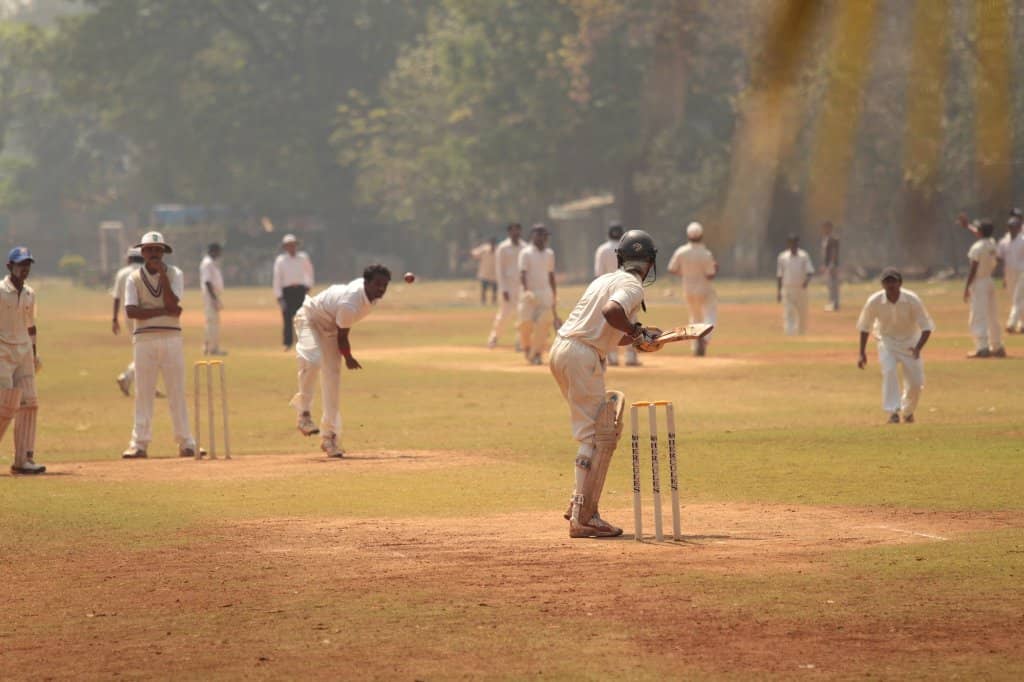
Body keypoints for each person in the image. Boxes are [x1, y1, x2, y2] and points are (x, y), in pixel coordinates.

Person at [549, 229, 660, 538]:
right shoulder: (631, 285)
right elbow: (612, 313)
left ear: (621, 257)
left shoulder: (603, 280)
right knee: (598, 435)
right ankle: (584, 516)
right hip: (582, 356)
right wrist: (637, 333)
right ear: (649, 263)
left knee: (593, 432)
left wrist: (640, 336)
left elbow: (607, 329)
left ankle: (578, 506)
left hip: (562, 350)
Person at [289, 264, 391, 458]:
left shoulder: (369, 297)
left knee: (332, 378)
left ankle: (330, 438)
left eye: (385, 284)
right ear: (366, 283)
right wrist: (349, 357)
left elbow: (340, 330)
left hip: (332, 327)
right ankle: (303, 414)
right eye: (377, 284)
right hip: (309, 317)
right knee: (313, 361)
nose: (381, 289)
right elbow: (343, 337)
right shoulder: (350, 302)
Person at [121, 231, 199, 459]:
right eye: (150, 250)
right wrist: (163, 311)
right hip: (144, 340)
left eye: (158, 250)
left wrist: (163, 279)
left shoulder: (175, 274)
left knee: (176, 391)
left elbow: (174, 305)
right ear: (142, 252)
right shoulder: (133, 278)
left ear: (164, 252)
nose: (155, 254)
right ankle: (139, 444)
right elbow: (132, 311)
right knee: (143, 393)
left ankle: (186, 442)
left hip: (172, 338)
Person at [856, 268, 934, 424]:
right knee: (889, 371)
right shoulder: (874, 301)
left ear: (900, 283)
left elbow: (926, 327)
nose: (890, 285)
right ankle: (893, 412)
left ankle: (908, 411)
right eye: (887, 282)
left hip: (910, 343)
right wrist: (862, 353)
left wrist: (918, 347)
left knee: (916, 383)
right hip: (887, 342)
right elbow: (865, 327)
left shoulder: (912, 300)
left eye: (893, 281)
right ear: (882, 284)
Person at [2, 247, 45, 474]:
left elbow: (31, 325)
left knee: (30, 403)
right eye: (20, 264)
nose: (24, 268)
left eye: (27, 264)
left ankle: (24, 460)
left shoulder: (29, 293)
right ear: (10, 266)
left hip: (24, 352)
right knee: (6, 405)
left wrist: (34, 352)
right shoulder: (0, 291)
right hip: (2, 352)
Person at [667, 222, 718, 356]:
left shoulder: (681, 251)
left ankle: (696, 345)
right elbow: (710, 274)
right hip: (705, 289)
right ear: (701, 235)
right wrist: (716, 267)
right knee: (710, 315)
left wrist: (684, 274)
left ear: (688, 235)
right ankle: (705, 338)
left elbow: (672, 268)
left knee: (694, 318)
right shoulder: (706, 253)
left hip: (688, 289)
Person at [959, 218, 1005, 358]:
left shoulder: (977, 247)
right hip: (989, 281)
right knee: (992, 315)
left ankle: (982, 348)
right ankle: (997, 346)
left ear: (980, 232)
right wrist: (968, 226)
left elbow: (973, 269)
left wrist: (967, 287)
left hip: (978, 283)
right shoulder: (992, 243)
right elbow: (983, 236)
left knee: (978, 316)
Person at [594, 224, 639, 367]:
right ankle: (631, 357)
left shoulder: (602, 250)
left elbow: (599, 273)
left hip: (608, 291)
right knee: (631, 323)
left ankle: (612, 357)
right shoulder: (629, 249)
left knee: (610, 324)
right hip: (627, 290)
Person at [518, 224, 558, 365]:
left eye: (545, 235)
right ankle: (527, 347)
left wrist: (554, 295)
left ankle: (537, 354)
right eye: (540, 234)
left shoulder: (549, 253)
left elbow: (551, 275)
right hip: (529, 294)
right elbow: (523, 273)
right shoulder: (526, 253)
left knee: (543, 324)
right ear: (533, 235)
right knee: (525, 324)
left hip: (545, 294)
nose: (543, 238)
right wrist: (526, 290)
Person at [273, 233, 314, 351]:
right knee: (287, 317)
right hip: (287, 291)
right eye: (288, 245)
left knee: (302, 317)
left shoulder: (303, 257)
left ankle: (302, 342)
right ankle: (288, 343)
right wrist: (279, 296)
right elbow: (277, 278)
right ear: (285, 247)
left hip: (300, 289)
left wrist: (308, 286)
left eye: (293, 245)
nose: (291, 248)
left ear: (296, 246)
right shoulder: (281, 260)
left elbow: (309, 272)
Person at [487, 223, 525, 349]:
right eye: (513, 231)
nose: (516, 234)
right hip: (508, 286)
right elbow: (499, 270)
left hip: (522, 287)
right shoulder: (502, 248)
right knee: (504, 315)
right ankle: (494, 337)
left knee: (523, 315)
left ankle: (520, 342)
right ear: (509, 233)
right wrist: (503, 289)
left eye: (518, 231)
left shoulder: (525, 247)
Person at [112, 247, 144, 396]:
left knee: (143, 350)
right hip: (145, 315)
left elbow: (116, 297)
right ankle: (127, 376)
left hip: (128, 315)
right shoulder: (146, 271)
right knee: (147, 351)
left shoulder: (122, 273)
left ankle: (144, 384)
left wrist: (114, 319)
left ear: (130, 258)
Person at [776, 234, 814, 335]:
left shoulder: (804, 256)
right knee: (789, 312)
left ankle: (801, 333)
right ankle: (790, 333)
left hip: (801, 289)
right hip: (788, 288)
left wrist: (806, 281)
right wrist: (779, 291)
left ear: (798, 244)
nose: (793, 246)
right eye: (791, 244)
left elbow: (810, 272)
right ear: (788, 244)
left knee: (802, 313)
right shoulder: (783, 257)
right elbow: (779, 275)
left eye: (795, 243)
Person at [199, 243, 226, 356]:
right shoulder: (208, 263)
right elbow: (207, 282)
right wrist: (214, 299)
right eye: (218, 251)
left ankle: (207, 346)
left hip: (212, 294)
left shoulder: (211, 263)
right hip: (210, 295)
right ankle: (213, 348)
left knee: (212, 321)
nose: (220, 254)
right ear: (213, 251)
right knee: (212, 321)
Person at [998, 214, 1023, 333]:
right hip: (1009, 273)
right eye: (1010, 226)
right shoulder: (1003, 242)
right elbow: (1000, 259)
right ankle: (1022, 324)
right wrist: (1004, 277)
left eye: (1015, 226)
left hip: (1022, 272)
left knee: (1018, 298)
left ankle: (1011, 324)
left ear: (1019, 228)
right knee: (1015, 299)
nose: (1012, 229)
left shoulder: (1023, 240)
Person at [470, 237, 498, 305]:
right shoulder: (484, 249)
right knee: (484, 289)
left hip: (495, 274)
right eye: (491, 243)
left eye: (493, 243)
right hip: (485, 272)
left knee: (494, 290)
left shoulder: (498, 250)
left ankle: (493, 302)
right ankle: (483, 302)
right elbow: (474, 253)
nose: (492, 245)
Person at [820, 221, 840, 311]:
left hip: (832, 265)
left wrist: (832, 264)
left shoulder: (833, 239)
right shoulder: (825, 239)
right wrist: (824, 265)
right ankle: (832, 302)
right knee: (830, 285)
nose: (825, 229)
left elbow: (834, 253)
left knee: (833, 285)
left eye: (827, 227)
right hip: (828, 265)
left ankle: (834, 303)